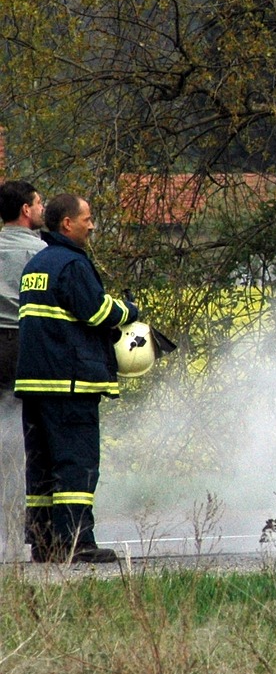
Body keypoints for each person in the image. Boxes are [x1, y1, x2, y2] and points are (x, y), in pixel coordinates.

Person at [14, 194, 138, 564]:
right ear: (67, 223)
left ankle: (44, 541)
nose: (93, 224)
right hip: (69, 383)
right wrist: (129, 310)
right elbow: (98, 312)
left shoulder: (36, 264)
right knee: (76, 463)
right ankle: (77, 541)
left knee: (43, 465)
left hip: (36, 385)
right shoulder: (71, 264)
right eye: (88, 217)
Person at [0, 180, 45, 560]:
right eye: (39, 202)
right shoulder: (43, 252)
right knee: (25, 439)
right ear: (26, 210)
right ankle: (23, 526)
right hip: (25, 345)